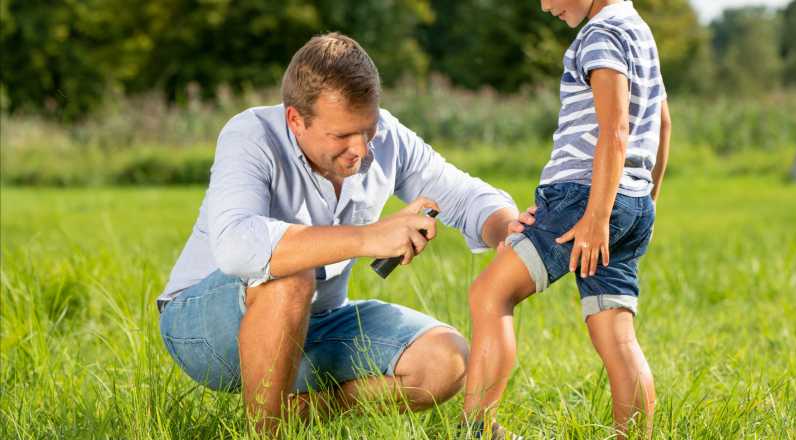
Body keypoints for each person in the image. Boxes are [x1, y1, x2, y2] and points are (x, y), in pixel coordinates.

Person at [156, 32, 531, 434]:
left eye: (366, 130)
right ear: (295, 120)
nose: (361, 149)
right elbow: (236, 246)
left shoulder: (385, 137)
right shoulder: (250, 134)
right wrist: (368, 237)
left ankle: (297, 412)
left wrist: (507, 229)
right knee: (289, 272)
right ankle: (264, 432)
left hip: (317, 320)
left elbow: (464, 194)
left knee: (445, 361)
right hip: (204, 328)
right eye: (341, 136)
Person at [462, 0, 672, 438]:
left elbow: (614, 130)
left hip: (583, 198)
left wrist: (598, 215)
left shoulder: (600, 34)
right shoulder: (638, 32)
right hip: (629, 200)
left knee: (489, 295)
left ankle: (474, 431)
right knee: (617, 336)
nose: (543, 5)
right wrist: (640, 200)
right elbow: (663, 124)